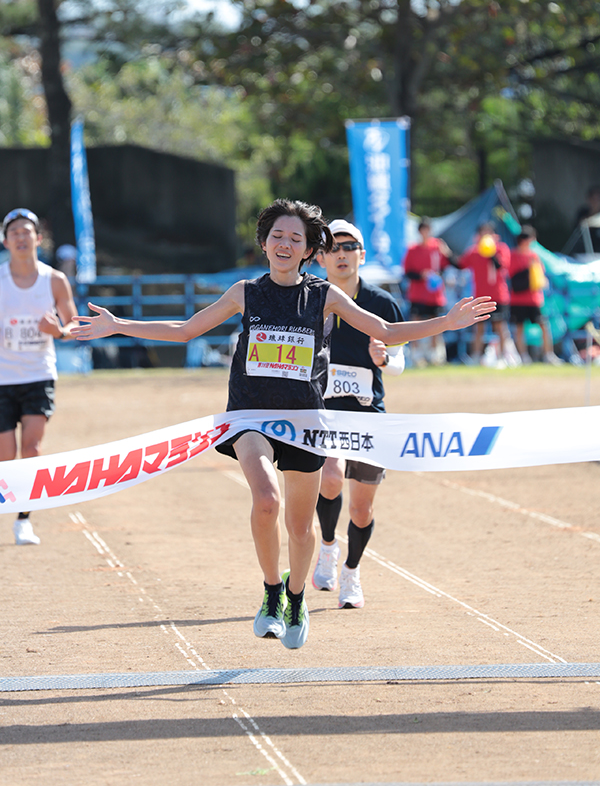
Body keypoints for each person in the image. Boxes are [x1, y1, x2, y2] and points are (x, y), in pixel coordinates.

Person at [73, 198, 495, 649]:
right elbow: (185, 330)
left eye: (295, 238)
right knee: (266, 500)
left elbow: (386, 332)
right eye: (277, 235)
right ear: (264, 242)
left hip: (304, 421)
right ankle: (272, 589)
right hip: (250, 417)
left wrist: (447, 322)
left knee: (300, 527)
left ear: (309, 249)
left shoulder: (324, 295)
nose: (285, 244)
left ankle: (296, 596)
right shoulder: (244, 293)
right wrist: (118, 324)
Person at [312, 219, 405, 609]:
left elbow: (399, 363)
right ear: (320, 257)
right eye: (333, 247)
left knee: (362, 508)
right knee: (330, 478)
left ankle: (351, 571)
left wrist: (383, 360)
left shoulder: (381, 303)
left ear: (361, 255)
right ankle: (328, 548)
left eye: (349, 247)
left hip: (368, 414)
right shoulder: (309, 299)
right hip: (324, 411)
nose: (342, 254)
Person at [0, 208, 78, 545]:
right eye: (14, 232)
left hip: (38, 374)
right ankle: (9, 505)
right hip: (2, 377)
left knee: (31, 449)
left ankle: (24, 521)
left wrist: (58, 330)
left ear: (38, 238)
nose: (21, 237)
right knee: (5, 455)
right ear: (5, 241)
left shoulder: (54, 280)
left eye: (26, 232)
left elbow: (73, 324)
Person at [457, 222, 514, 368]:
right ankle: (476, 356)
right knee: (478, 328)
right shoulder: (474, 251)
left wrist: (491, 252)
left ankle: (503, 357)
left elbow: (501, 266)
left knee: (500, 327)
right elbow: (460, 264)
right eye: (483, 233)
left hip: (499, 295)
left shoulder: (501, 249)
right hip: (480, 296)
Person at [403, 217, 454, 366]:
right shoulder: (412, 249)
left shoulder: (438, 247)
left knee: (436, 323)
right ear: (419, 232)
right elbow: (407, 272)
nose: (426, 233)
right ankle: (416, 354)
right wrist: (422, 275)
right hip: (417, 294)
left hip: (435, 294)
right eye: (423, 230)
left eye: (428, 230)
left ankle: (434, 354)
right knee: (415, 322)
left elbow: (448, 265)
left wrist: (446, 253)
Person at [509, 225, 562, 365]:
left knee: (544, 326)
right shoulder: (513, 255)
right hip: (518, 299)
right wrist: (528, 271)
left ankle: (548, 355)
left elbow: (540, 276)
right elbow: (512, 276)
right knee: (519, 328)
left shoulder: (534, 256)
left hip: (534, 299)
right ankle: (523, 357)